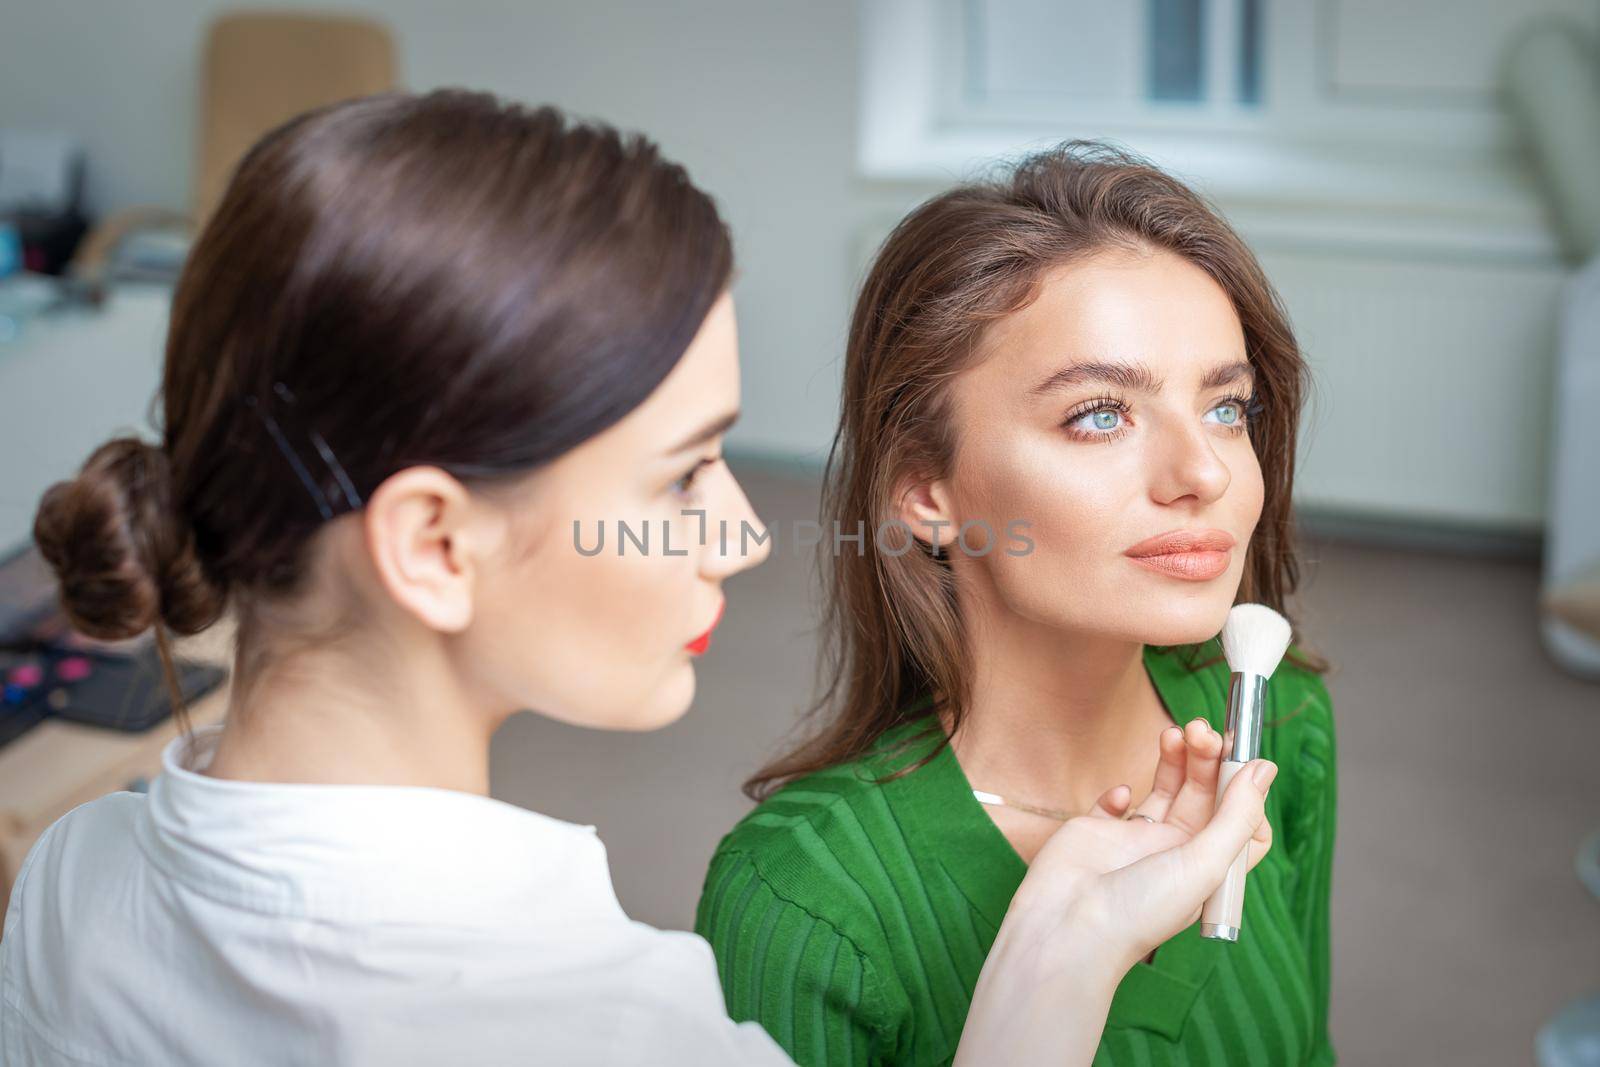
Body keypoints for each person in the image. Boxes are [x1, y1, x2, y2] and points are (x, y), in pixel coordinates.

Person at [1, 94, 1277, 1066]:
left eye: (1232, 408)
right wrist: (1055, 963)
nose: (744, 534)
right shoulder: (616, 1026)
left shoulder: (69, 875)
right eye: (682, 478)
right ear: (436, 544)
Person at [698, 143, 1338, 1066]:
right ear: (927, 490)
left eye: (1228, 409)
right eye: (1101, 414)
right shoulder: (805, 898)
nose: (1204, 471)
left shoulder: (1282, 723)